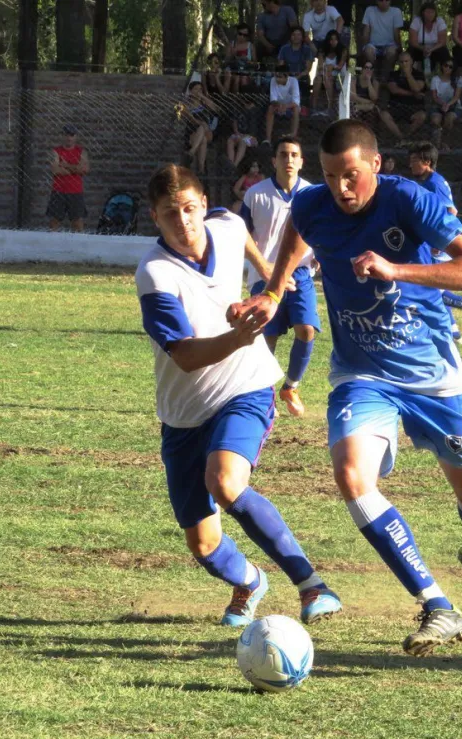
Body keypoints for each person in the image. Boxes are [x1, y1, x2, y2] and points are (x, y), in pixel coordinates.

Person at [228, 119, 462, 657]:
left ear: (376, 165)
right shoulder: (313, 204)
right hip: (362, 374)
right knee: (351, 477)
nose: (341, 188)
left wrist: (396, 269)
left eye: (351, 175)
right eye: (332, 176)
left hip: (432, 375)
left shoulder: (411, 200)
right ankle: (437, 605)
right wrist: (272, 291)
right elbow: (297, 232)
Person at [135, 163, 342, 628]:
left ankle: (312, 586)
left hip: (244, 386)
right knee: (203, 544)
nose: (184, 221)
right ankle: (250, 580)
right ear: (155, 217)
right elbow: (185, 356)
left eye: (190, 209)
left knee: (225, 482)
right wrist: (243, 333)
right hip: (184, 411)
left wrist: (269, 276)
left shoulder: (225, 226)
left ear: (204, 205)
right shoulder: (154, 274)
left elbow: (248, 231)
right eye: (171, 214)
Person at [241, 138, 319, 418]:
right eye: (283, 154)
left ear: (301, 161)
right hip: (266, 273)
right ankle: (262, 394)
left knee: (307, 329)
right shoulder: (256, 194)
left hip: (300, 271)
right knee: (268, 337)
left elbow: (322, 230)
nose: (289, 159)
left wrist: (320, 253)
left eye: (294, 155)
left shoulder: (313, 194)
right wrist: (261, 267)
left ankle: (291, 387)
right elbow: (244, 236)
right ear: (273, 160)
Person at [408, 141, 462, 341]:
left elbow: (450, 211)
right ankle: (454, 333)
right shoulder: (426, 182)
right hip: (435, 240)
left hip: (441, 240)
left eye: (415, 160)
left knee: (432, 288)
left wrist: (437, 240)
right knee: (433, 287)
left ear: (427, 162)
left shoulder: (435, 182)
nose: (411, 165)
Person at [47, 125, 90, 232]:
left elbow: (84, 169)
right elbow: (55, 170)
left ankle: (78, 247)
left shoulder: (82, 152)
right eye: (66, 135)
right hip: (58, 191)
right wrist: (75, 168)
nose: (69, 138)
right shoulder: (56, 151)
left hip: (75, 191)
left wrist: (65, 165)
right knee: (54, 223)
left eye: (72, 135)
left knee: (77, 224)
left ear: (75, 137)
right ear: (62, 136)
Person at [386, 51, 428, 140]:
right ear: (398, 62)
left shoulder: (419, 74)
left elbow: (417, 88)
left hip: (414, 107)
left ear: (411, 61)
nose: (404, 64)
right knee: (384, 114)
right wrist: (412, 94)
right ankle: (401, 137)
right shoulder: (393, 74)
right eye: (401, 62)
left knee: (422, 116)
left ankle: (407, 137)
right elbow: (394, 89)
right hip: (396, 106)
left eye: (406, 61)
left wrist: (408, 74)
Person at [181, 82, 219, 176]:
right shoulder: (186, 104)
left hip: (208, 132)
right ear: (190, 91)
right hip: (192, 132)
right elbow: (190, 118)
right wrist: (201, 123)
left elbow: (216, 109)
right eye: (196, 89)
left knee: (204, 133)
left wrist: (203, 97)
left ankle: (191, 153)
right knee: (203, 139)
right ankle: (201, 169)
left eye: (200, 89)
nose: (198, 91)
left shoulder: (204, 103)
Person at [361, 0, 405, 77]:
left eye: (386, 0)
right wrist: (364, 47)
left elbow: (396, 33)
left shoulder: (396, 12)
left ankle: (386, 78)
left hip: (390, 45)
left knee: (392, 52)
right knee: (368, 51)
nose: (384, 2)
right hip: (373, 44)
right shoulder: (369, 10)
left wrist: (400, 48)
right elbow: (366, 31)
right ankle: (374, 76)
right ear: (376, 1)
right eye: (381, 0)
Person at [312, 30, 349, 115]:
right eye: (331, 39)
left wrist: (331, 67)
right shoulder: (322, 51)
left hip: (339, 76)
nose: (333, 41)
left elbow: (339, 66)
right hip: (324, 74)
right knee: (318, 79)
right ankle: (313, 107)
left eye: (335, 39)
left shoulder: (343, 50)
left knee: (327, 77)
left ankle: (330, 108)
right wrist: (327, 69)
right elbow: (320, 66)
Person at [265, 64, 302, 147]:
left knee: (296, 109)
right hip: (278, 106)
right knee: (270, 108)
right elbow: (273, 99)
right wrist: (280, 106)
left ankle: (293, 135)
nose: (277, 78)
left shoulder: (293, 81)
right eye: (276, 76)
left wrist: (286, 106)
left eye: (280, 76)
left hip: (291, 107)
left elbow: (296, 102)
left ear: (286, 76)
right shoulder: (273, 80)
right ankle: (268, 139)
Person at [279, 26, 316, 106]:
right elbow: (280, 66)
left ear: (302, 37)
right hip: (287, 76)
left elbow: (307, 69)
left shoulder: (307, 49)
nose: (296, 37)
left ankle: (304, 106)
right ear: (290, 36)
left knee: (304, 83)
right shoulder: (284, 49)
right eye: (293, 35)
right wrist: (287, 77)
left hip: (301, 76)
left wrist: (297, 77)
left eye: (299, 35)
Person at [408, 1, 450, 72]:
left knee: (444, 53)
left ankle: (446, 75)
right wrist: (423, 48)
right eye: (427, 12)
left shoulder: (439, 21)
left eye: (432, 12)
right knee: (409, 53)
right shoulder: (417, 21)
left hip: (436, 48)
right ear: (423, 13)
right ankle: (407, 74)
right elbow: (413, 42)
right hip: (419, 48)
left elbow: (442, 42)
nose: (430, 14)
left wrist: (431, 49)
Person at [429, 61, 462, 147]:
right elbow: (435, 97)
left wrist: (448, 105)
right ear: (442, 66)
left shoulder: (459, 79)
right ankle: (436, 145)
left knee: (449, 119)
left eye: (450, 67)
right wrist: (443, 104)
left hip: (454, 106)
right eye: (446, 65)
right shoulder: (435, 79)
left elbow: (457, 96)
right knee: (435, 120)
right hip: (438, 105)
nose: (447, 68)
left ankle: (445, 143)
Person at [224, 23, 257, 93]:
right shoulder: (231, 45)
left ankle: (242, 100)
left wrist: (248, 61)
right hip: (233, 70)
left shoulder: (251, 46)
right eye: (240, 34)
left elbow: (255, 63)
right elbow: (226, 62)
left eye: (245, 35)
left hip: (246, 71)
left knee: (243, 79)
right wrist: (233, 55)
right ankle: (232, 99)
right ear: (236, 33)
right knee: (236, 78)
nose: (242, 37)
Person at [351, 58, 382, 129]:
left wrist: (368, 81)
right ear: (362, 69)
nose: (369, 70)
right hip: (358, 106)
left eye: (371, 68)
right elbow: (353, 97)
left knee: (373, 112)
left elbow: (374, 98)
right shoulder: (354, 79)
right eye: (366, 68)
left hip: (369, 108)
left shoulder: (375, 82)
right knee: (355, 110)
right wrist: (369, 102)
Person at [226, 102, 259, 168]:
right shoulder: (239, 109)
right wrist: (237, 132)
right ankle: (231, 164)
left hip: (249, 136)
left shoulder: (254, 112)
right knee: (230, 141)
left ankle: (235, 165)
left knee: (242, 142)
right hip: (238, 134)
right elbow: (234, 122)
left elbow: (252, 132)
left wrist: (243, 136)